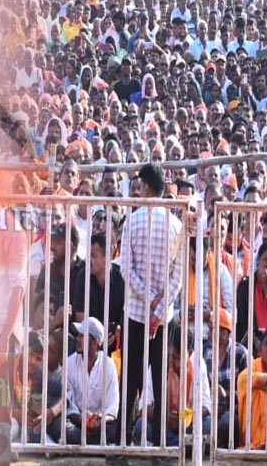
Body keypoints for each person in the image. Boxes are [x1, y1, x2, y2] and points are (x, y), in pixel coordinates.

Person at [120, 163, 185, 446]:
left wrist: (148, 298)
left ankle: (122, 442)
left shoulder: (132, 221)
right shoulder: (176, 225)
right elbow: (178, 276)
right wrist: (158, 308)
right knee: (160, 381)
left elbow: (125, 269)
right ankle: (159, 444)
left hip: (136, 313)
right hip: (162, 317)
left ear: (145, 186)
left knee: (130, 380)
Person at [64, 317, 120, 445]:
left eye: (82, 336)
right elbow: (68, 402)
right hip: (76, 422)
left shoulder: (108, 365)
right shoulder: (70, 363)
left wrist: (100, 420)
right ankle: (97, 446)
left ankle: (87, 444)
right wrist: (82, 420)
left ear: (95, 342)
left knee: (116, 430)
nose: (77, 339)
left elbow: (113, 407)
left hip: (100, 424)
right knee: (65, 428)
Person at [204, 308, 248, 448]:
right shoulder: (207, 354)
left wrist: (226, 394)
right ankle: (215, 443)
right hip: (211, 413)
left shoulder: (240, 354)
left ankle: (216, 444)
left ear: (224, 334)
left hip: (232, 413)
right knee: (200, 424)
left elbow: (248, 393)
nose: (208, 333)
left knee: (228, 423)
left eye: (211, 329)